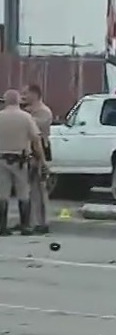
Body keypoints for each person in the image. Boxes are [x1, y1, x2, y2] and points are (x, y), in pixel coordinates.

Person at [0, 89, 46, 236]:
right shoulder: (26, 118)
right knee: (23, 193)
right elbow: (36, 140)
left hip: (1, 159)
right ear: (18, 100)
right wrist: (42, 160)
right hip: (21, 160)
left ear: (6, 101)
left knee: (3, 193)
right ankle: (25, 226)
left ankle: (2, 226)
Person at [21, 84, 53, 234]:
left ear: (35, 94)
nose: (23, 96)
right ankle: (31, 221)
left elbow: (34, 131)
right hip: (29, 152)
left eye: (26, 94)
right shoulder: (28, 112)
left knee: (40, 190)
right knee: (29, 190)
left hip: (40, 152)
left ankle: (43, 222)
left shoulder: (43, 112)